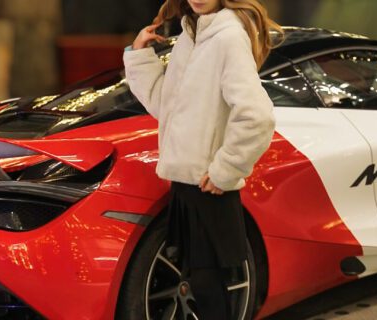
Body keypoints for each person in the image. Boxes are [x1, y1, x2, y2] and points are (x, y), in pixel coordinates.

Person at [123, 0, 281, 318]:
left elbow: (257, 117)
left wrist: (227, 169)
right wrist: (140, 56)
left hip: (208, 185)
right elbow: (165, 106)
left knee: (210, 288)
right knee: (200, 283)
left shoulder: (227, 37)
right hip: (187, 182)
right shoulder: (191, 35)